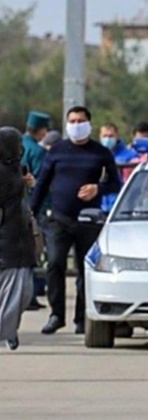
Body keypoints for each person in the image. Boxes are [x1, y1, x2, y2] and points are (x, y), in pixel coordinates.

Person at [30, 106, 122, 335]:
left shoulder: (100, 152)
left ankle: (82, 318)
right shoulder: (56, 151)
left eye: (80, 120)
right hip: (59, 219)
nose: (76, 124)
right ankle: (56, 314)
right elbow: (42, 183)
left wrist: (97, 188)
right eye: (72, 120)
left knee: (85, 270)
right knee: (55, 264)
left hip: (88, 220)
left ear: (89, 124)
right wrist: (31, 212)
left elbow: (116, 183)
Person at [0, 127, 37, 350]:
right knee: (13, 292)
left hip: (21, 240)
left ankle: (8, 329)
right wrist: (21, 183)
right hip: (6, 242)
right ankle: (6, 330)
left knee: (24, 292)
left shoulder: (15, 169)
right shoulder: (5, 174)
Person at [20, 111, 51, 311]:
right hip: (33, 208)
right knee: (35, 251)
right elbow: (41, 183)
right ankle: (31, 294)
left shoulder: (16, 145)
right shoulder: (38, 152)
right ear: (41, 131)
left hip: (14, 208)